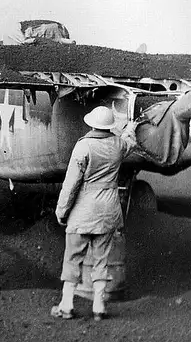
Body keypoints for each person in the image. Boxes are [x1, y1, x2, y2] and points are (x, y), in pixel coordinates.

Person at [51, 105, 137, 321]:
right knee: (101, 261)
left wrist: (61, 211)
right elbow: (129, 142)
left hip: (83, 212)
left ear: (91, 124)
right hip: (108, 212)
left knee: (72, 259)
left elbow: (71, 185)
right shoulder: (118, 145)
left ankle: (67, 305)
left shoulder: (83, 147)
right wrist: (131, 127)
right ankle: (99, 306)